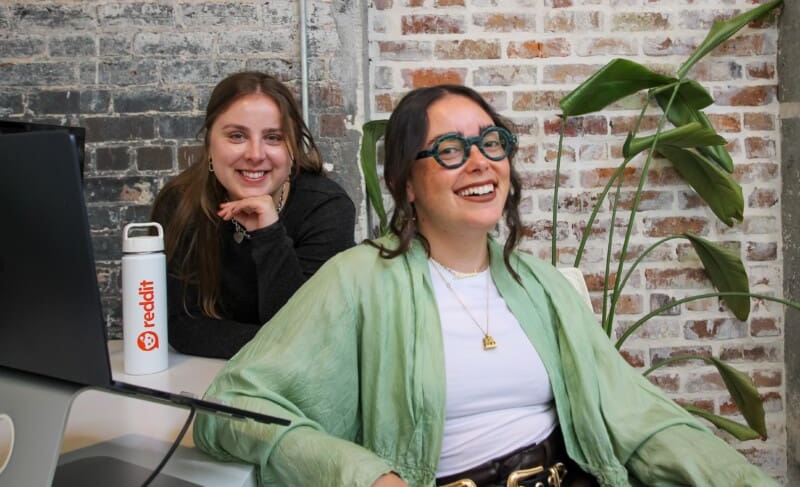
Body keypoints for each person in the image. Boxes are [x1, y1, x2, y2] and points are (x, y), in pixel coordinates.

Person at [192, 84, 778, 486]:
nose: (479, 162)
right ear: (408, 183)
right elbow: (230, 408)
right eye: (449, 150)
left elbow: (640, 417)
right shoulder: (358, 281)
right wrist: (366, 476)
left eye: (490, 143)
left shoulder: (542, 287)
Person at [150, 71, 355, 359]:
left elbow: (308, 333)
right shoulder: (180, 204)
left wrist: (269, 233)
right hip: (206, 374)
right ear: (210, 144)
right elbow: (182, 324)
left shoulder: (325, 208)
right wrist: (277, 341)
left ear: (293, 149)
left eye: (273, 137)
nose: (256, 154)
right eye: (237, 136)